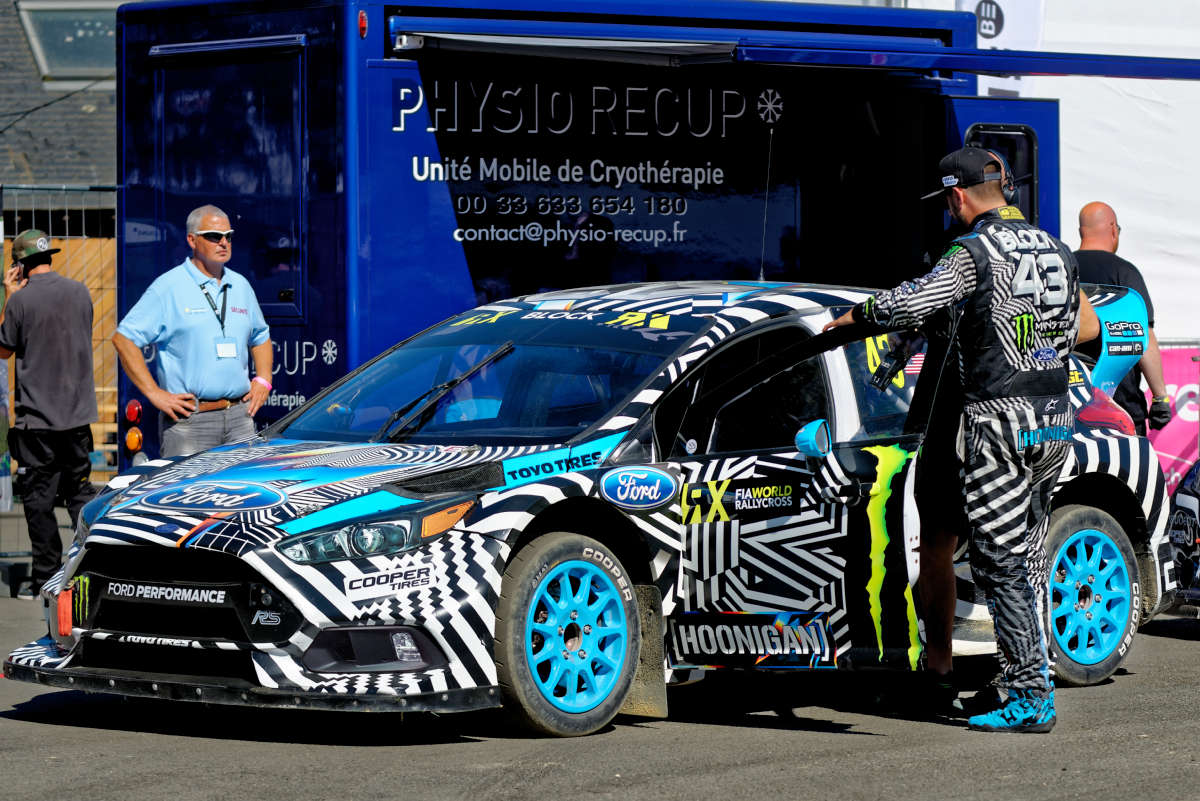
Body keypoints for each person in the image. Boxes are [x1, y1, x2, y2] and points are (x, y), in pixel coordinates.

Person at [826, 147, 1081, 733]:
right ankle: (1021, 675)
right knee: (1028, 557)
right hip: (1053, 419)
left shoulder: (973, 252)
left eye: (947, 198)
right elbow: (1082, 327)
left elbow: (913, 300)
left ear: (958, 195)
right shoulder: (1057, 249)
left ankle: (1030, 694)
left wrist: (855, 318)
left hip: (998, 420)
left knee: (998, 561)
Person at [112, 205, 273, 458]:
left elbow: (261, 337)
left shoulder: (240, 285)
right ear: (192, 240)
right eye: (214, 236)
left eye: (228, 236)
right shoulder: (168, 287)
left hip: (240, 418)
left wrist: (263, 380)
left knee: (241, 496)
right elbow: (124, 339)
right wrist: (156, 394)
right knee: (186, 497)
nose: (223, 243)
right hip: (190, 423)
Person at [0, 229, 98, 597]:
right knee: (79, 494)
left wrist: (10, 296)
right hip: (77, 415)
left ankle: (46, 578)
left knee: (39, 500)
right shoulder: (81, 292)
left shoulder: (21, 301)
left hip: (37, 420)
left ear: (20, 266)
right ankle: (87, 567)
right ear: (49, 257)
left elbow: (4, 350)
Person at [1074, 202, 1171, 435]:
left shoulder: (1062, 267)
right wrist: (1160, 398)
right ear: (1113, 230)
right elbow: (1143, 337)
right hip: (1120, 408)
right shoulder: (1124, 272)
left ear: (1081, 232)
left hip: (1070, 403)